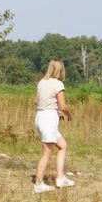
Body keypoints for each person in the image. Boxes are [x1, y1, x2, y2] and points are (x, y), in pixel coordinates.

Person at [33, 59, 74, 193]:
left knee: (62, 145)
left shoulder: (41, 82)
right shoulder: (58, 84)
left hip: (40, 117)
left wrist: (54, 111)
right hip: (48, 120)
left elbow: (36, 101)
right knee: (47, 153)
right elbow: (63, 106)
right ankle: (38, 185)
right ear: (60, 70)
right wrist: (68, 114)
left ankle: (60, 178)